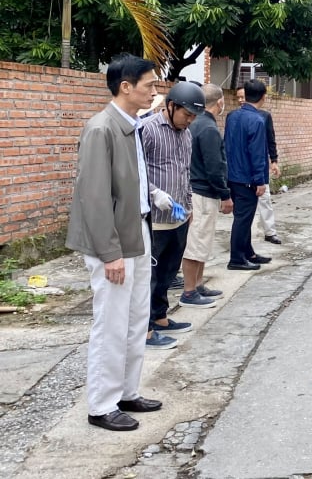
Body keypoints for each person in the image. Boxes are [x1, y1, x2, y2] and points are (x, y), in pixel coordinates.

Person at [66, 53, 163, 432]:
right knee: (111, 321)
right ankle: (101, 404)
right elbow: (93, 197)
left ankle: (126, 391)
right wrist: (110, 253)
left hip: (137, 231)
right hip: (113, 241)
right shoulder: (101, 129)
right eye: (149, 85)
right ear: (126, 87)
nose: (154, 91)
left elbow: (133, 184)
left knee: (137, 317)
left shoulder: (132, 124)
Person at [139, 83, 206, 352]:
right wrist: (154, 193)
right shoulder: (149, 130)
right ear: (171, 106)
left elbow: (184, 172)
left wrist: (188, 207)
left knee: (167, 273)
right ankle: (143, 330)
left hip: (178, 217)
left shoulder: (186, 135)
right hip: (154, 218)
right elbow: (135, 170)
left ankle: (160, 318)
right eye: (186, 114)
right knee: (150, 276)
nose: (189, 120)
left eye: (193, 117)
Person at [182, 84, 232, 307]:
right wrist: (225, 194)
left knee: (202, 242)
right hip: (202, 192)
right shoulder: (208, 128)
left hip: (196, 189)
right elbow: (215, 166)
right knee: (196, 243)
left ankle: (198, 284)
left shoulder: (194, 124)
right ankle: (189, 291)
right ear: (219, 102)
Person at [224, 80, 272, 270]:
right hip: (247, 178)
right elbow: (257, 153)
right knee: (243, 220)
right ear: (263, 97)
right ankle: (236, 258)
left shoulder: (232, 116)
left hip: (233, 174)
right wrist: (260, 180)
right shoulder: (257, 120)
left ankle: (248, 252)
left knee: (242, 217)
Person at [236, 87, 282, 245]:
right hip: (242, 170)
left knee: (264, 200)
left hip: (259, 168)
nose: (241, 100)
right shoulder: (235, 117)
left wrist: (274, 160)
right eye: (238, 97)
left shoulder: (263, 117)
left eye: (243, 97)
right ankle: (243, 238)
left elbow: (271, 139)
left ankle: (270, 232)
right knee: (243, 208)